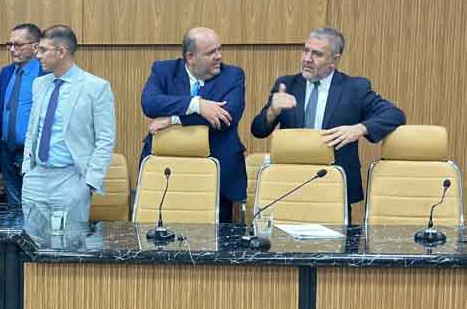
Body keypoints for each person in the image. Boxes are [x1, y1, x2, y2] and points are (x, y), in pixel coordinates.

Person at [251, 27, 406, 220]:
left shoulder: (354, 88)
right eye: (306, 51)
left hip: (334, 187)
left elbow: (395, 115)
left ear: (334, 60)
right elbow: (258, 130)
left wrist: (360, 128)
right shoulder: (287, 84)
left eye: (317, 54)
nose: (307, 59)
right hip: (290, 185)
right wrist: (272, 112)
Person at [140, 27, 247, 222]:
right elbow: (149, 103)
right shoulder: (164, 71)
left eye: (219, 49)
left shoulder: (232, 75)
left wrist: (174, 120)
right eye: (211, 52)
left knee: (216, 237)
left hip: (218, 174)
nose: (219, 56)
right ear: (190, 57)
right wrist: (196, 105)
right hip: (167, 174)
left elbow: (227, 116)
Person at [21, 25, 116, 223]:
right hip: (36, 178)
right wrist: (27, 170)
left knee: (70, 240)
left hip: (72, 178)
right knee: (32, 239)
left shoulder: (96, 87)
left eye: (43, 50)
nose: (38, 55)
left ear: (61, 52)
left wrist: (90, 182)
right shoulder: (39, 84)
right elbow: (32, 131)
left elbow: (105, 139)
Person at [0, 23, 45, 205]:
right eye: (10, 44)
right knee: (13, 212)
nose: (12, 49)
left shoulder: (46, 74)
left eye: (18, 45)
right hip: (8, 156)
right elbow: (3, 119)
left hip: (35, 157)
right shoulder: (6, 73)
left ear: (35, 47)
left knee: (36, 210)